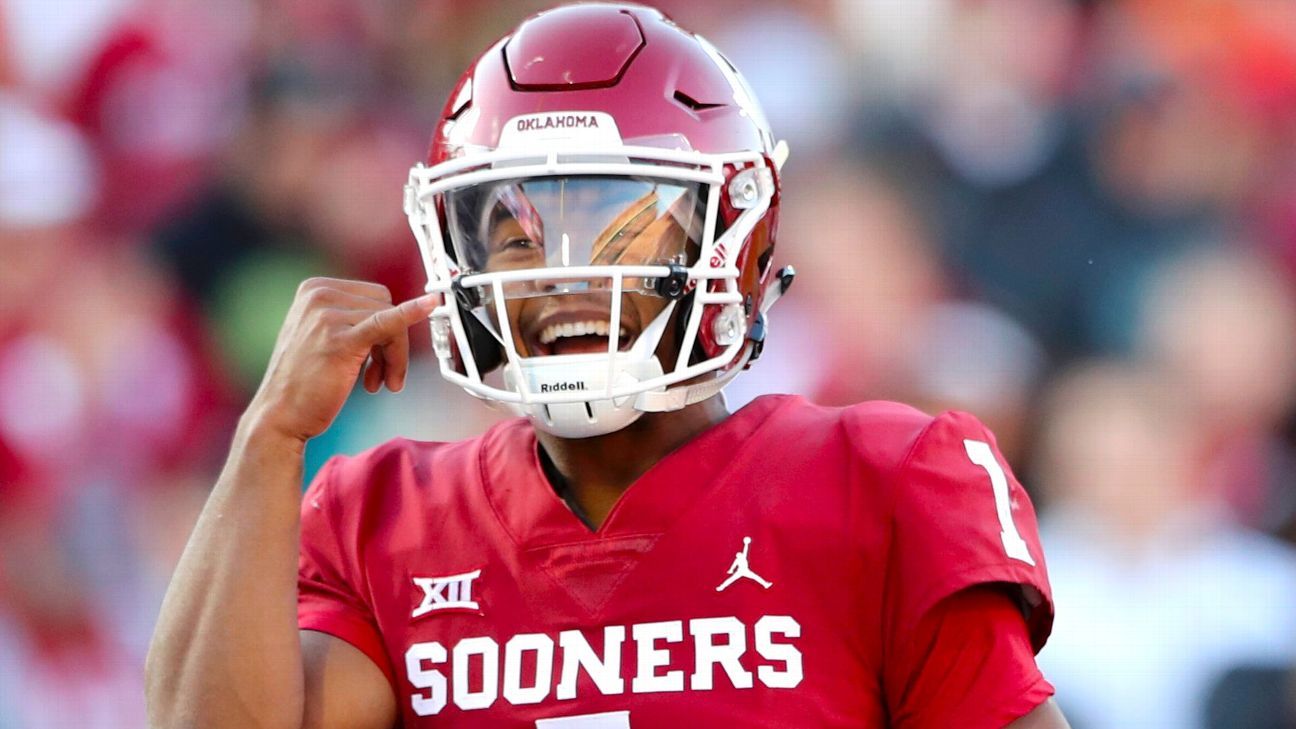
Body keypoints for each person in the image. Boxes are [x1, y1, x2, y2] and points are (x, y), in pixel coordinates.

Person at [146, 4, 1069, 727]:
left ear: (737, 236)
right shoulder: (382, 518)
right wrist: (269, 435)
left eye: (620, 222)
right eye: (517, 233)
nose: (568, 275)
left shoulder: (884, 482)